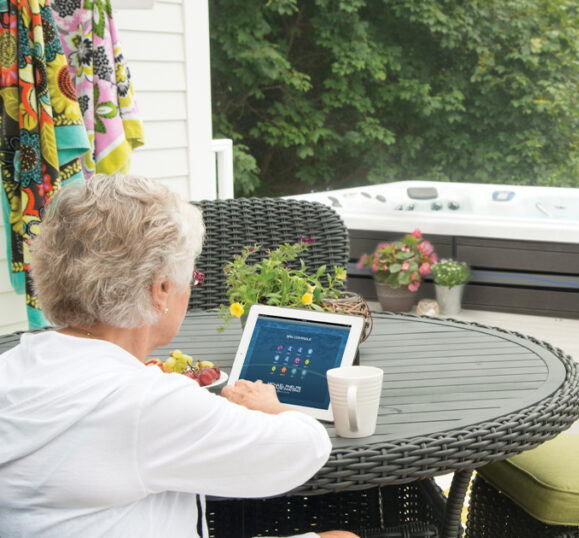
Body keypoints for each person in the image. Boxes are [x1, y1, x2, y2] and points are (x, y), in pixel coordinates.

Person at [0, 174, 357, 538]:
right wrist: (270, 406)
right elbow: (303, 450)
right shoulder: (146, 402)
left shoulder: (13, 367)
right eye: (193, 278)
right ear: (162, 289)